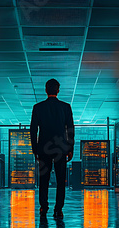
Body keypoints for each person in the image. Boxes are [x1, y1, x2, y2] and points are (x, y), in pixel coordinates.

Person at [30, 79, 75, 219]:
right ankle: (58, 209)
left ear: (45, 90)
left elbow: (33, 130)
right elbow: (70, 130)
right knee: (61, 180)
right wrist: (70, 148)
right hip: (61, 149)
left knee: (44, 179)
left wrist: (35, 149)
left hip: (43, 149)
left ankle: (44, 207)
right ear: (58, 90)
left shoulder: (38, 107)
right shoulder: (66, 107)